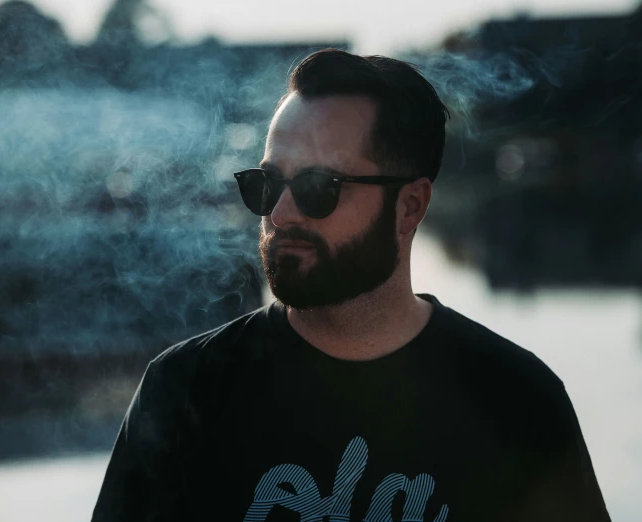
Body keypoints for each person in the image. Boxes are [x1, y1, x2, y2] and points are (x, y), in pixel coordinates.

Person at [92, 49, 612, 522]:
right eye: (266, 183)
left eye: (320, 188)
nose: (281, 212)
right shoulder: (184, 391)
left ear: (410, 206)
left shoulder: (517, 402)